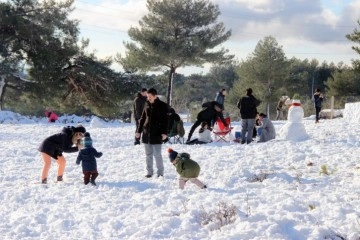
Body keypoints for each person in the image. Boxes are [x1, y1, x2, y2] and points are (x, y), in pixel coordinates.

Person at [135, 88, 168, 178]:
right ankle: (149, 172)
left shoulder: (163, 106)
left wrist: (164, 133)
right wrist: (138, 131)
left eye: (150, 97)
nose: (148, 98)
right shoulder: (146, 104)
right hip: (146, 133)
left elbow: (166, 121)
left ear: (155, 96)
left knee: (157, 154)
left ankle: (160, 173)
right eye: (147, 96)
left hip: (157, 134)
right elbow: (142, 119)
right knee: (148, 155)